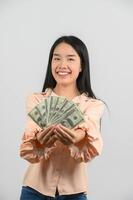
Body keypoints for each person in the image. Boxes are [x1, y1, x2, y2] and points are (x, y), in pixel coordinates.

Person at [19, 35, 106, 200]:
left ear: (82, 66)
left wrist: (75, 137)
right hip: (33, 191)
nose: (62, 65)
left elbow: (89, 132)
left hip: (74, 193)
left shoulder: (93, 105)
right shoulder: (36, 99)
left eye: (70, 59)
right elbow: (31, 133)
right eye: (56, 58)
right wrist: (40, 140)